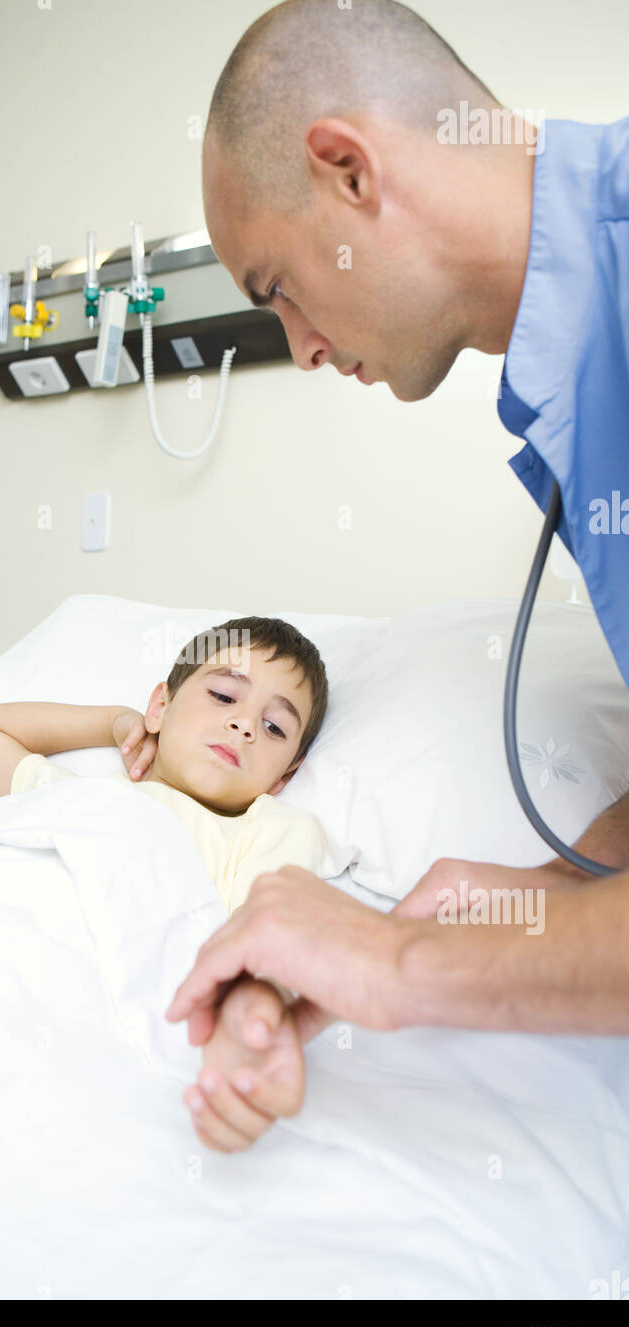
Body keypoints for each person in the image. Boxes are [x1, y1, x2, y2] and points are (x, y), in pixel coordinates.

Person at [151, 0, 629, 1151]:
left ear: (351, 172)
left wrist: (400, 961)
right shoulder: (576, 381)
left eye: (276, 287)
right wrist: (528, 903)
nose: (303, 349)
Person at [0, 616, 338, 1151]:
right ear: (160, 706)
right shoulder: (80, 797)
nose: (245, 725)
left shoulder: (267, 828)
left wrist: (252, 1024)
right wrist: (117, 722)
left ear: (285, 775)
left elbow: (263, 944)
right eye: (224, 695)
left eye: (274, 727)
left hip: (71, 1002)